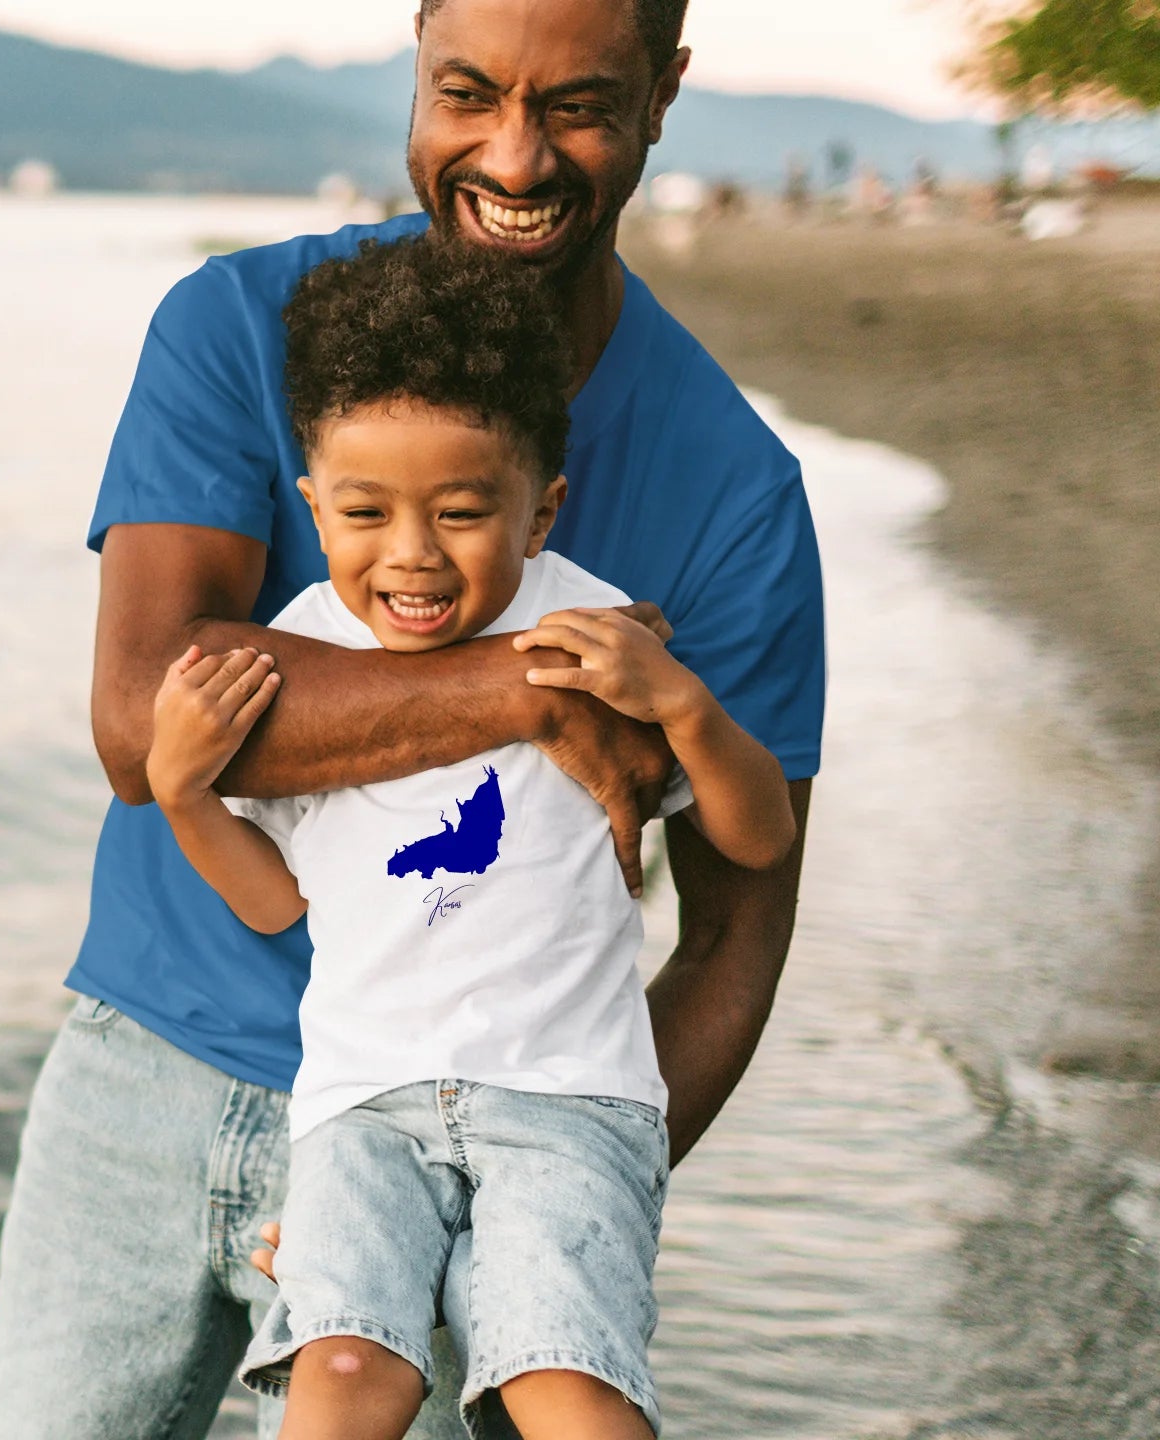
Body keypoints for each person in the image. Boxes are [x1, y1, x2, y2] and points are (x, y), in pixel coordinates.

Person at [0, 0, 825, 1435]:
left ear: (665, 92)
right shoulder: (237, 329)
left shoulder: (734, 488)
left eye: (575, 105)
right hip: (146, 1074)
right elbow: (142, 725)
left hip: (475, 1135)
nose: (513, 153)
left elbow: (740, 923)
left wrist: (552, 1200)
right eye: (468, 92)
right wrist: (526, 691)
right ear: (416, 70)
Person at [145, 237, 797, 1440]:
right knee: (341, 1378)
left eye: (460, 511)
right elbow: (275, 904)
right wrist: (185, 796)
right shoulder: (295, 653)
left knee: (565, 1385)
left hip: (567, 1099)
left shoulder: (600, 636)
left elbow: (754, 841)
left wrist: (687, 709)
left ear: (540, 507)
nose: (412, 553)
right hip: (365, 1107)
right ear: (312, 506)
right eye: (364, 512)